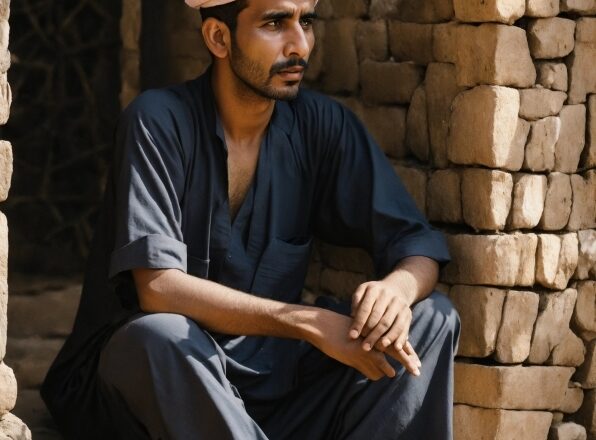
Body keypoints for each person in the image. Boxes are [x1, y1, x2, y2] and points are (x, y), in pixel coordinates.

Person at [41, 0, 460, 438]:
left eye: (306, 22)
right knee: (158, 335)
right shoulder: (157, 121)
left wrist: (398, 289)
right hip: (154, 386)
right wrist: (307, 322)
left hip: (273, 389)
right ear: (218, 38)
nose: (299, 45)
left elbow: (418, 244)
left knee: (433, 316)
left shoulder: (322, 126)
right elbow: (157, 287)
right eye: (275, 23)